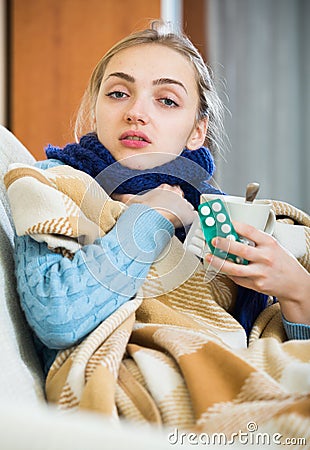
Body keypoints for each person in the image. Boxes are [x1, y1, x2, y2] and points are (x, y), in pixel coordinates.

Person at [13, 21, 309, 376]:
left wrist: (298, 293)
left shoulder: (223, 219)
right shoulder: (52, 183)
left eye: (167, 100)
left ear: (197, 131)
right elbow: (58, 318)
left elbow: (282, 363)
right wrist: (150, 219)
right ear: (95, 111)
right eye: (118, 93)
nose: (136, 112)